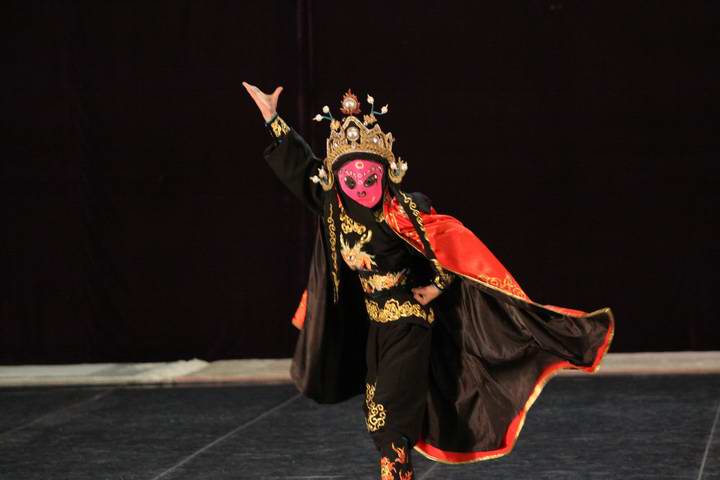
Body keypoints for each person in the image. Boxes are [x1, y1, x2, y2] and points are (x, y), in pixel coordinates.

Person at [243, 82, 615, 479]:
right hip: (375, 327)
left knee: (392, 418)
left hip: (409, 323)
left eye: (369, 178)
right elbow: (302, 169)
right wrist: (272, 118)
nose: (361, 188)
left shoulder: (403, 212)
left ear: (385, 173)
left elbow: (452, 248)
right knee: (377, 415)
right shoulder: (334, 208)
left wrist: (437, 285)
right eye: (351, 180)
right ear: (337, 178)